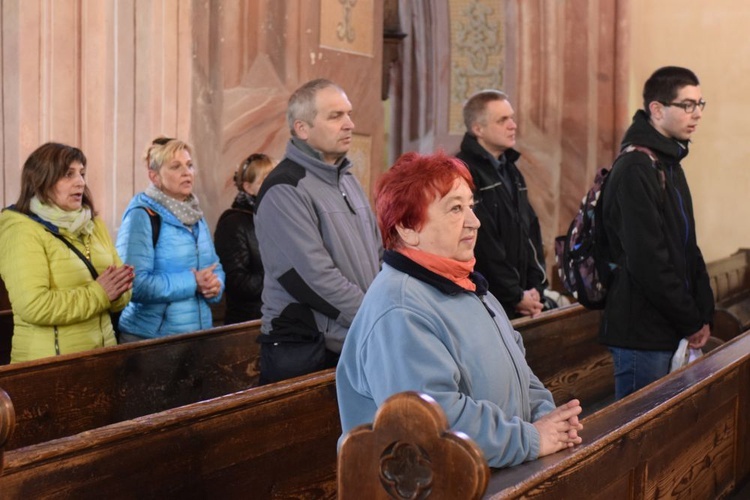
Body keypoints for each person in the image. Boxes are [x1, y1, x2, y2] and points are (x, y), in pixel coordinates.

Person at [336, 152, 582, 468]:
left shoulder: (468, 287)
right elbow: (432, 421)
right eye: (455, 208)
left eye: (471, 206)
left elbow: (520, 372)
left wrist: (548, 418)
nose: (474, 221)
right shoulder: (399, 309)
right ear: (408, 229)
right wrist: (531, 439)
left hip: (493, 471)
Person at [255, 78, 382, 384]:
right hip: (306, 350)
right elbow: (313, 278)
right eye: (335, 116)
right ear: (302, 129)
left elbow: (377, 254)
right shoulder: (284, 188)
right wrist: (376, 317)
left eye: (348, 113)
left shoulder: (347, 180)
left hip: (353, 338)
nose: (349, 124)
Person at [600, 66, 714, 400]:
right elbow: (648, 261)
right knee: (641, 441)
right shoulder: (637, 167)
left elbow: (686, 246)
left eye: (700, 104)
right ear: (657, 109)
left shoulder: (668, 163)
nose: (697, 114)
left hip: (668, 326)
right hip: (641, 333)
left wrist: (703, 312)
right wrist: (691, 320)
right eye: (688, 105)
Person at [0, 142, 133, 362]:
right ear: (41, 181)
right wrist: (100, 293)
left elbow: (118, 290)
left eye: (81, 173)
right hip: (51, 364)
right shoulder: (21, 230)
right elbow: (34, 306)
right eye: (68, 174)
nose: (80, 182)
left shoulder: (93, 224)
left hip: (103, 356)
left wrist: (120, 289)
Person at [116, 137, 225, 342]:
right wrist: (192, 282)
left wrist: (215, 285)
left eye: (190, 165)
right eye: (176, 167)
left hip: (197, 335)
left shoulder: (194, 215)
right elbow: (134, 283)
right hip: (151, 338)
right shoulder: (142, 215)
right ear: (154, 176)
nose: (187, 172)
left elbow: (214, 266)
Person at [456, 90, 547, 319]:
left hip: (521, 298)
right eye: (502, 120)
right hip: (488, 302)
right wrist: (515, 296)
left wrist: (537, 287)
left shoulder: (511, 169)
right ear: (478, 129)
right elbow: (484, 243)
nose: (513, 125)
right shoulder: (463, 171)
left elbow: (530, 232)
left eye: (512, 118)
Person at [214, 153, 275, 324]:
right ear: (248, 187)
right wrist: (282, 273)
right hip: (249, 322)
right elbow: (238, 283)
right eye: (266, 180)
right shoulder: (233, 223)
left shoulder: (278, 217)